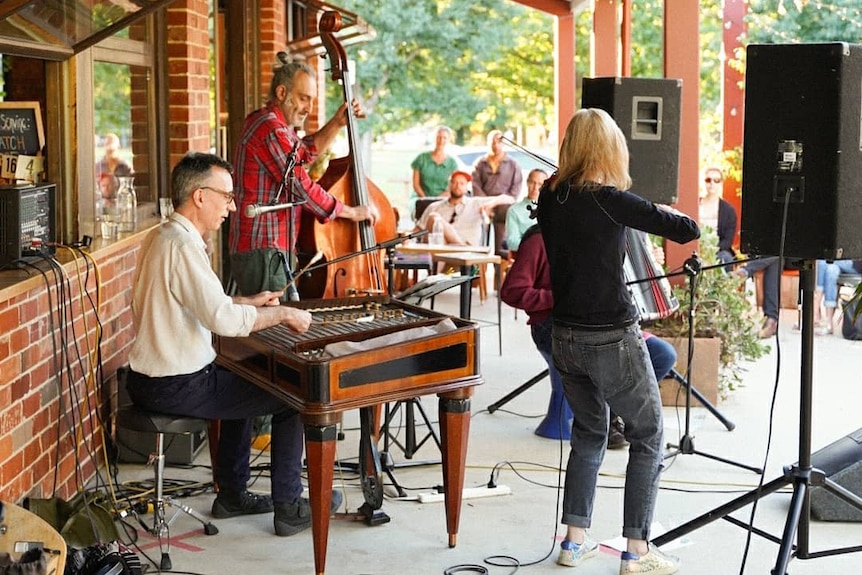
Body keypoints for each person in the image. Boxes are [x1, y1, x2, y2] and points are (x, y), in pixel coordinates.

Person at [125, 152, 341, 538]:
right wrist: (284, 315)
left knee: (244, 377)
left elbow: (202, 304)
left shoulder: (163, 236)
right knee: (292, 396)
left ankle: (233, 494)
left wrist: (248, 302)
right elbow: (221, 321)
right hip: (174, 384)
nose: (233, 205)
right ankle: (289, 507)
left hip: (148, 378)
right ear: (200, 196)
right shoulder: (182, 247)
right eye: (226, 195)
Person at [536, 108, 699, 573]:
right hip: (610, 335)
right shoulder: (611, 199)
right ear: (611, 150)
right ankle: (636, 552)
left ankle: (573, 542)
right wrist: (660, 209)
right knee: (648, 435)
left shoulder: (551, 197)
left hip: (564, 336)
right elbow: (688, 230)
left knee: (590, 432)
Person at [500, 224, 678, 445]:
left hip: (600, 322)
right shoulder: (540, 239)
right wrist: (562, 297)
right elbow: (512, 291)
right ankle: (599, 423)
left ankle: (613, 416)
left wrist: (650, 260)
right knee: (596, 360)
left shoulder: (597, 235)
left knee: (663, 355)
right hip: (552, 325)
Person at [229, 52, 377, 300]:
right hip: (264, 250)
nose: (308, 108)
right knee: (273, 332)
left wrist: (337, 123)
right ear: (282, 93)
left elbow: (305, 151)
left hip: (271, 249)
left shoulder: (278, 127)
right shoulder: (270, 129)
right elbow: (300, 187)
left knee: (278, 328)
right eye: (303, 98)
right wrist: (351, 212)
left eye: (311, 100)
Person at [413, 170, 513, 247]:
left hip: (466, 248)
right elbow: (417, 230)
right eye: (454, 182)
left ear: (466, 188)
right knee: (435, 220)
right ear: (449, 185)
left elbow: (509, 199)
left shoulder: (475, 203)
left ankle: (437, 272)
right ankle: (438, 273)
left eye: (462, 183)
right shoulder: (434, 207)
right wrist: (405, 237)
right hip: (440, 249)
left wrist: (491, 204)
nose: (458, 186)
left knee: (434, 218)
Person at [471, 129, 523, 256]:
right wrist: (486, 203)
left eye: (499, 142)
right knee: (478, 235)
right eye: (492, 142)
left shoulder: (513, 164)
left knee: (501, 242)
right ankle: (477, 268)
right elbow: (475, 184)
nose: (496, 145)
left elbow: (515, 189)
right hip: (483, 206)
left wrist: (496, 204)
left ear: (504, 144)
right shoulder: (480, 163)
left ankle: (499, 271)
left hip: (503, 207)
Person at [733, 256, 781, 338]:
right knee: (776, 261)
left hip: (797, 256)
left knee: (776, 254)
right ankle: (771, 320)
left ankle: (746, 271)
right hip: (775, 256)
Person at [698, 166, 737, 265]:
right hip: (696, 248)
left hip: (717, 250)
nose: (712, 184)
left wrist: (711, 250)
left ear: (721, 183)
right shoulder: (695, 204)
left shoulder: (729, 211)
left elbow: (728, 240)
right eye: (708, 180)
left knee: (726, 258)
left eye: (716, 180)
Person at [410, 126, 457, 205]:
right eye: (439, 137)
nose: (441, 140)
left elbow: (451, 188)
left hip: (442, 200)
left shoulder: (452, 163)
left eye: (444, 138)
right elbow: (416, 185)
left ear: (448, 140)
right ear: (434, 138)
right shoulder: (421, 158)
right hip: (420, 198)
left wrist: (436, 201)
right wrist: (426, 200)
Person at [505, 169, 548, 255]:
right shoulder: (514, 210)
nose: (535, 188)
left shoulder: (550, 209)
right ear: (527, 183)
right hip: (526, 255)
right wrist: (536, 247)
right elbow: (512, 242)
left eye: (540, 184)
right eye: (533, 182)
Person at [814, 259, 862, 335]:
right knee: (831, 270)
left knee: (823, 262)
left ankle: (815, 310)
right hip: (847, 261)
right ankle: (829, 322)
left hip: (857, 264)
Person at [95, 133, 133, 199]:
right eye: (107, 144)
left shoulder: (126, 167)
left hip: (122, 202)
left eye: (112, 145)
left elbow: (130, 187)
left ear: (119, 147)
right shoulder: (98, 167)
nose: (109, 147)